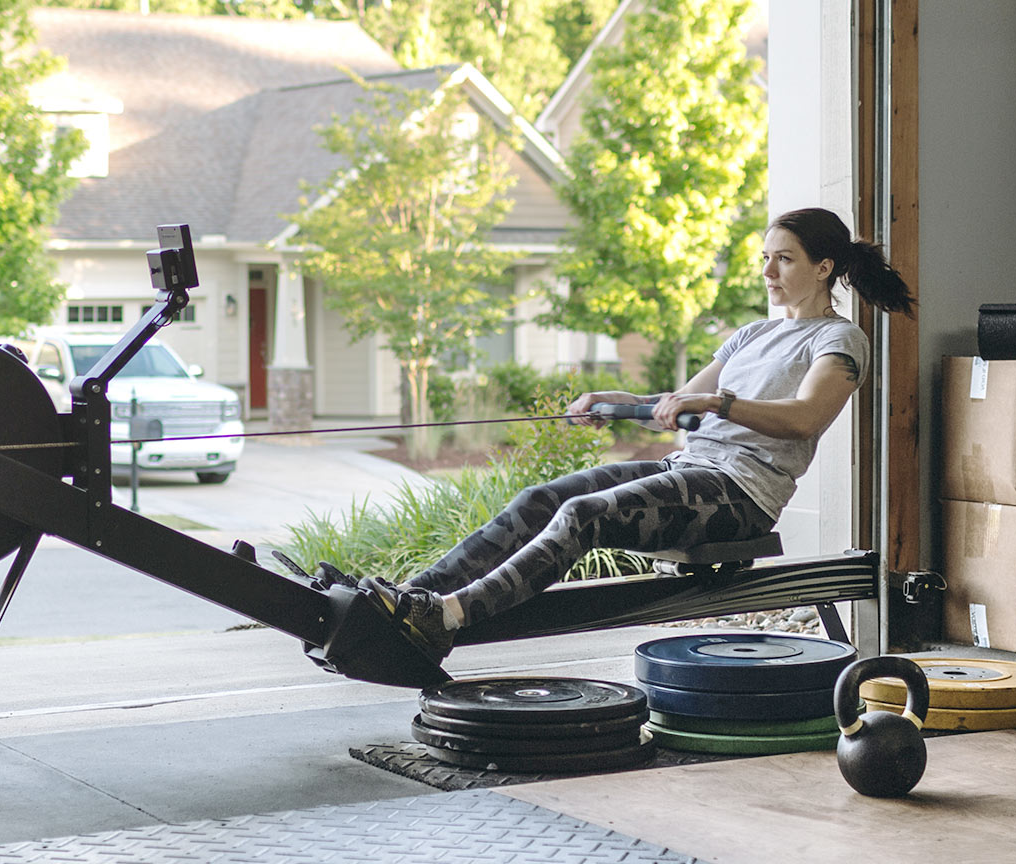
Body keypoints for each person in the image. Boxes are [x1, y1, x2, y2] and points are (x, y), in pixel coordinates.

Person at [360, 207, 915, 665]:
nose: (769, 271)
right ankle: (406, 599)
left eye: (784, 259)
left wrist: (718, 402)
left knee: (585, 516)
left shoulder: (839, 339)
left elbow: (806, 418)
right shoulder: (752, 334)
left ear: (824, 268)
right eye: (765, 258)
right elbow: (676, 405)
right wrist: (625, 404)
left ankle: (447, 617)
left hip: (743, 494)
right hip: (691, 472)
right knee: (542, 499)